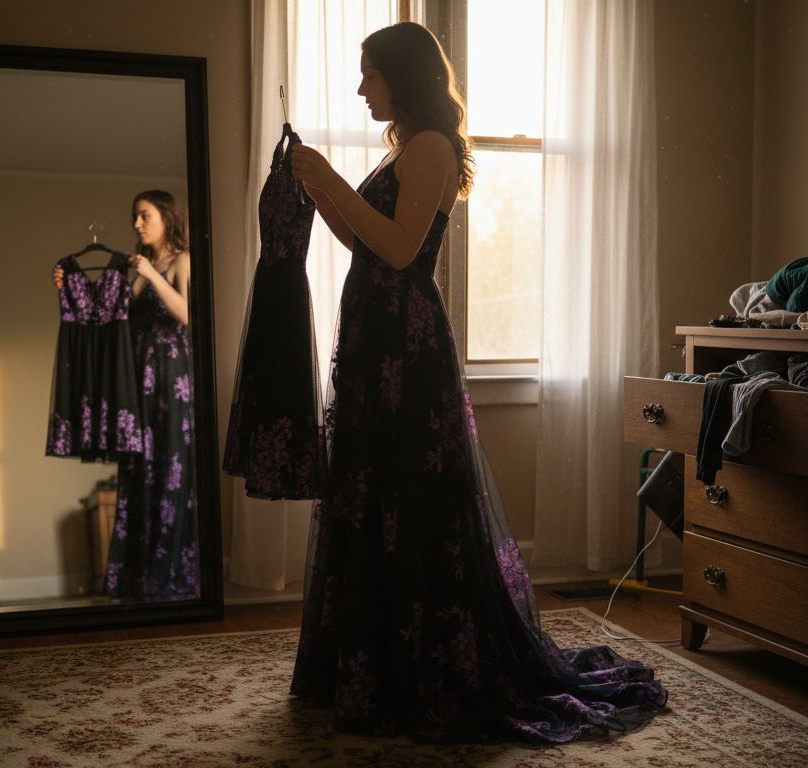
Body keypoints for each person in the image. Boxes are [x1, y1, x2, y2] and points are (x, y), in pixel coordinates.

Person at [285, 22, 667, 742]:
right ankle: (380, 666)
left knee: (410, 498)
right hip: (375, 344)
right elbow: (362, 240)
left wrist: (329, 177)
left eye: (370, 73)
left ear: (404, 74)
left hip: (405, 347)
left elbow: (398, 250)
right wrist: (317, 192)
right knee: (374, 492)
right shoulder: (406, 148)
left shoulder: (430, 146)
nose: (361, 86)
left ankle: (421, 669)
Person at [55, 190, 200, 600]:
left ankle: (170, 573)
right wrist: (68, 286)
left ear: (165, 217)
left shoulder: (181, 262)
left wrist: (154, 276)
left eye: (143, 215)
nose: (136, 224)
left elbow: (189, 315)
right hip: (136, 381)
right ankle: (139, 575)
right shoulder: (137, 268)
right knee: (139, 471)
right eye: (134, 217)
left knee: (171, 470)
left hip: (172, 379)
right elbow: (106, 314)